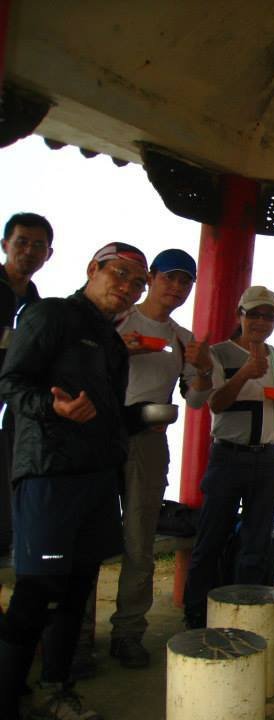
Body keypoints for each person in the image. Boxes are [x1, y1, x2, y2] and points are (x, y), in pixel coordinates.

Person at [0, 242, 148, 720]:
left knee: (78, 588)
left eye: (136, 284)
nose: (126, 288)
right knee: (38, 588)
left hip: (97, 478)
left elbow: (103, 415)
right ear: (93, 269)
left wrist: (139, 419)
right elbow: (11, 383)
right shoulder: (52, 315)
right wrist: (53, 407)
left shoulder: (110, 341)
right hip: (49, 473)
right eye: (119, 275)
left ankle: (57, 690)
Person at [108, 249, 214, 668]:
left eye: (185, 281)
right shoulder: (118, 321)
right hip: (100, 435)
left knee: (140, 540)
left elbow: (196, 401)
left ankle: (128, 632)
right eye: (169, 277)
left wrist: (202, 370)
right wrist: (120, 351)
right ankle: (76, 635)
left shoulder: (182, 338)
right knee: (87, 535)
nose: (176, 287)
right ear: (150, 278)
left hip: (150, 440)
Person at [182, 286, 274, 630]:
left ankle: (244, 616)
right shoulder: (218, 354)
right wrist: (245, 373)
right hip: (228, 456)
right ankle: (197, 615)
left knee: (256, 542)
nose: (261, 321)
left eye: (269, 315)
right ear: (239, 315)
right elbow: (214, 404)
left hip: (269, 457)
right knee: (211, 537)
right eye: (254, 314)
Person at [0, 213, 53, 584]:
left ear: (49, 254)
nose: (29, 251)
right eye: (22, 242)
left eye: (39, 245)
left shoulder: (34, 301)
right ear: (5, 245)